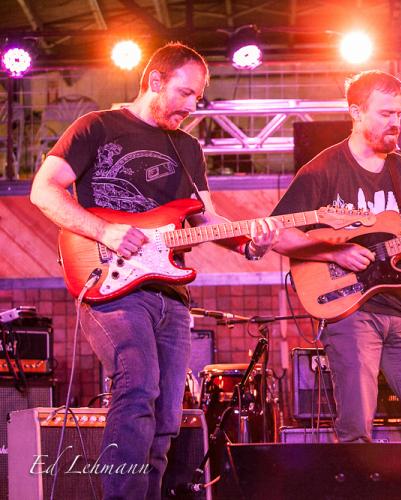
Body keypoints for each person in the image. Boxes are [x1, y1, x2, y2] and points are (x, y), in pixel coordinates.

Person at [30, 43, 279, 499]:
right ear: (156, 81)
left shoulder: (187, 147)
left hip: (171, 294)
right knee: (137, 386)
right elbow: (43, 191)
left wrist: (249, 242)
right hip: (110, 283)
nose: (191, 106)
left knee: (166, 417)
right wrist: (105, 232)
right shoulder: (96, 126)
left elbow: (203, 219)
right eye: (185, 93)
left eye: (198, 98)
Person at [270, 70, 401, 442]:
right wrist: (335, 251)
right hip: (350, 309)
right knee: (356, 430)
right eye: (386, 114)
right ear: (356, 113)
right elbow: (279, 235)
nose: (395, 123)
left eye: (399, 113)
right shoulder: (322, 169)